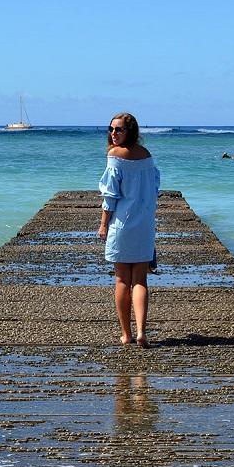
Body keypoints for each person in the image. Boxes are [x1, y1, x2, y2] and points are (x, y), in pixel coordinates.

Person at [98, 112, 160, 348]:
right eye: (111, 129)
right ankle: (142, 332)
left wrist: (104, 224)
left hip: (122, 225)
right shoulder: (147, 156)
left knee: (123, 280)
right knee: (141, 280)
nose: (113, 134)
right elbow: (154, 188)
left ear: (130, 131)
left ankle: (127, 334)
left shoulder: (115, 156)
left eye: (119, 129)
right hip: (144, 225)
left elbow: (110, 195)